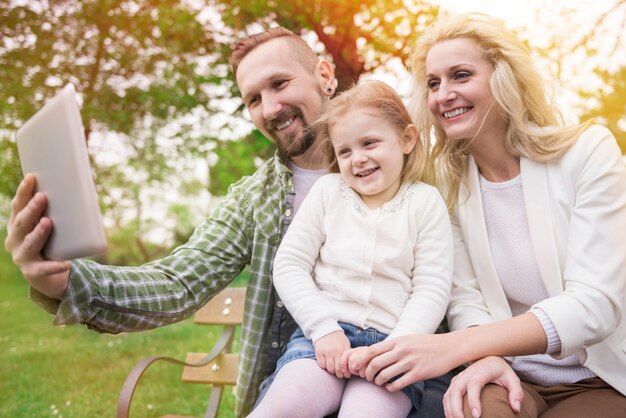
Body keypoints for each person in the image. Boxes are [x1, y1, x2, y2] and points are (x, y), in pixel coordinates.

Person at [4, 27, 452, 417]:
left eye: (280, 83)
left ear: (325, 75)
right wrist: (68, 282)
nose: (271, 107)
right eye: (253, 99)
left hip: (403, 389)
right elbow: (177, 284)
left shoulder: (427, 176)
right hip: (298, 385)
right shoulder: (254, 201)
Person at [348, 12, 626, 418]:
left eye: (461, 75)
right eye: (433, 83)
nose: (444, 94)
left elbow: (594, 306)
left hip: (598, 378)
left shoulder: (587, 152)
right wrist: (485, 357)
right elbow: (465, 297)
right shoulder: (447, 187)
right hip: (508, 373)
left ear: (504, 79)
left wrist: (457, 348)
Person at [248, 80, 452, 418]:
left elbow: (432, 288)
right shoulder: (329, 192)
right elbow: (289, 265)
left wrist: (395, 348)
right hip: (323, 341)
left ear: (406, 139)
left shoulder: (425, 202)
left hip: (393, 347)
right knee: (281, 408)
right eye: (345, 151)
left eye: (369, 143)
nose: (358, 159)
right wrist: (323, 329)